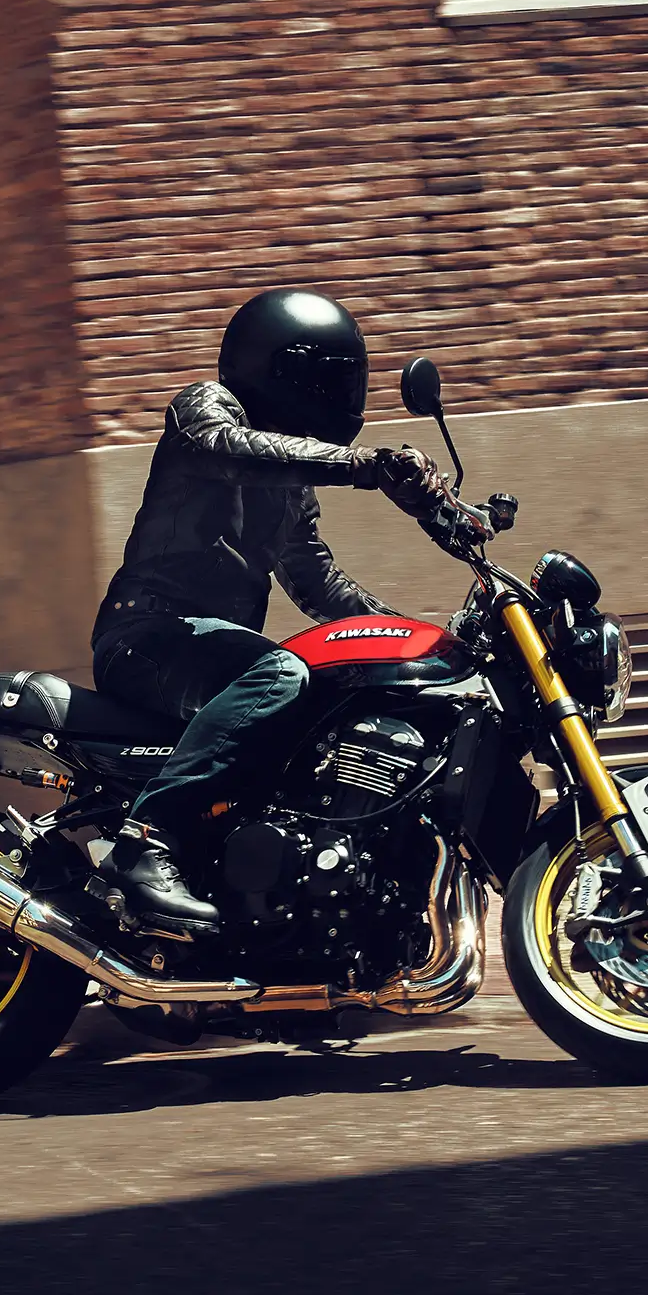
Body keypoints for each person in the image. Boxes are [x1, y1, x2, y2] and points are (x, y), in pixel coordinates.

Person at [89, 288, 449, 931]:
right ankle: (144, 843)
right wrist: (366, 466)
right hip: (149, 637)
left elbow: (318, 583)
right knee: (282, 672)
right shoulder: (205, 408)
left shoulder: (290, 488)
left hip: (211, 654)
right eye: (334, 377)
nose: (344, 394)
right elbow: (227, 450)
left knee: (342, 696)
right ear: (289, 369)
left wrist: (418, 643)